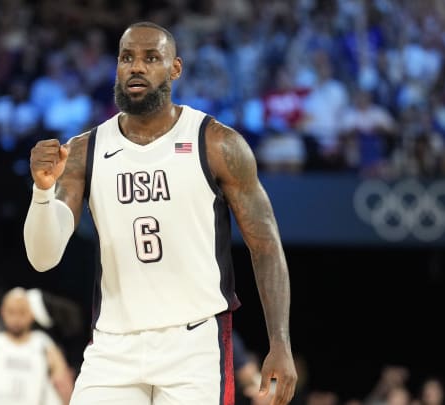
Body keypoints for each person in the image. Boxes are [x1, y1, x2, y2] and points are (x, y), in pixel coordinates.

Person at [24, 21, 297, 405]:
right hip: (113, 346)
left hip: (193, 343)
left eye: (151, 58)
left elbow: (266, 247)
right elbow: (42, 257)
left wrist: (279, 342)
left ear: (175, 69)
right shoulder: (84, 151)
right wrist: (42, 191)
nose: (137, 67)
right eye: (127, 58)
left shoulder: (217, 142)